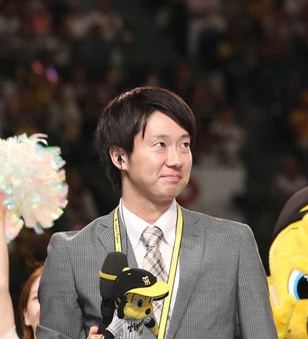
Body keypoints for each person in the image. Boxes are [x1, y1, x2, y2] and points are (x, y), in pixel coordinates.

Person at [37, 87, 277, 339]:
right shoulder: (72, 253)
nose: (176, 160)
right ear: (119, 157)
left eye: (184, 145)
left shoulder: (233, 243)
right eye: (160, 144)